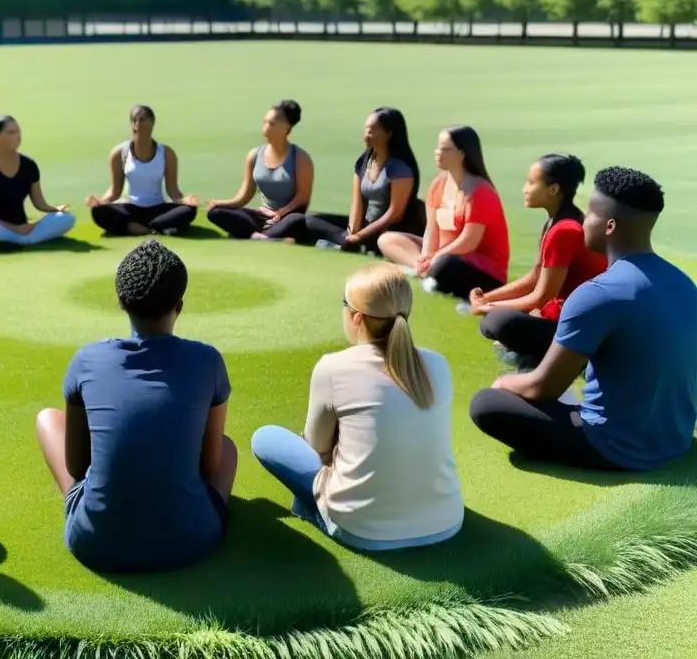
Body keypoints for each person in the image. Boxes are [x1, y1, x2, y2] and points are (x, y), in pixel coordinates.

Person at [470, 167, 697, 472]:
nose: (582, 222)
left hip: (616, 445)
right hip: (675, 439)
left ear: (610, 226)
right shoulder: (684, 283)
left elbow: (542, 388)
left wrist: (505, 382)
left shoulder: (596, 293)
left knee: (486, 403)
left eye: (589, 214)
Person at [35, 239, 238, 573]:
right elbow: (210, 467)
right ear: (180, 305)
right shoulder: (207, 359)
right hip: (193, 541)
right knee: (227, 448)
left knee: (47, 419)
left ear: (120, 302)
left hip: (94, 541)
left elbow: (76, 464)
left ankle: (99, 509)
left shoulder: (87, 359)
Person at [251, 263, 463, 551]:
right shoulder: (438, 364)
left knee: (266, 438)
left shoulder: (333, 367)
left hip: (363, 531)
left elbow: (317, 448)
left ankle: (310, 508)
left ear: (355, 317)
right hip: (446, 523)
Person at [472, 154, 607, 368]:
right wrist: (486, 299)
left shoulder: (565, 230)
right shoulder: (555, 222)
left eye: (531, 183)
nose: (525, 188)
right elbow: (534, 277)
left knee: (496, 321)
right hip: (565, 315)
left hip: (579, 324)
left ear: (553, 189)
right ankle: (533, 356)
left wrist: (488, 308)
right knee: (500, 318)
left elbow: (542, 296)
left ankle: (558, 358)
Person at [378, 126, 510, 301]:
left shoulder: (480, 192)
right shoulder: (438, 184)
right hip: (442, 255)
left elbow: (469, 242)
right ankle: (423, 270)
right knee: (387, 240)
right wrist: (426, 256)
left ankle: (432, 272)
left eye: (445, 149)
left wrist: (436, 257)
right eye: (437, 148)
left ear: (462, 153)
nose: (438, 153)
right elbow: (431, 230)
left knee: (445, 263)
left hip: (479, 269)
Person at [305, 107, 426, 253]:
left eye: (372, 130)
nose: (366, 134)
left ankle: (348, 244)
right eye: (366, 129)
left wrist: (361, 236)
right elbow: (357, 202)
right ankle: (346, 242)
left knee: (344, 238)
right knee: (309, 219)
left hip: (386, 231)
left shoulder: (400, 168)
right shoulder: (364, 161)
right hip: (364, 227)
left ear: (389, 133)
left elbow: (394, 214)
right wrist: (352, 231)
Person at [206, 100, 314, 241]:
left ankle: (257, 235)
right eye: (265, 122)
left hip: (287, 217)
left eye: (272, 124)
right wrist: (222, 203)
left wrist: (280, 213)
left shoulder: (300, 158)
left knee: (298, 220)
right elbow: (244, 195)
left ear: (287, 127)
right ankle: (265, 237)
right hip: (263, 216)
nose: (266, 128)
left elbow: (302, 198)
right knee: (216, 213)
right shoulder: (254, 155)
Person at [86, 105, 199, 236]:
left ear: (152, 123)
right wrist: (99, 202)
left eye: (142, 119)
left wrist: (187, 200)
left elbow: (173, 192)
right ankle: (156, 228)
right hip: (131, 209)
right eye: (134, 120)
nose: (138, 124)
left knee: (189, 210)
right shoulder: (119, 153)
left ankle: (144, 227)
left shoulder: (167, 153)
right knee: (98, 212)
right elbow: (114, 192)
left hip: (158, 208)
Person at [0, 115, 76, 251]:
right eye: (11, 133)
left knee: (66, 218)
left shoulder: (29, 165)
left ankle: (17, 242)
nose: (17, 136)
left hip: (25, 228)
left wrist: (55, 209)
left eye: (18, 132)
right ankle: (27, 239)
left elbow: (39, 203)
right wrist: (15, 228)